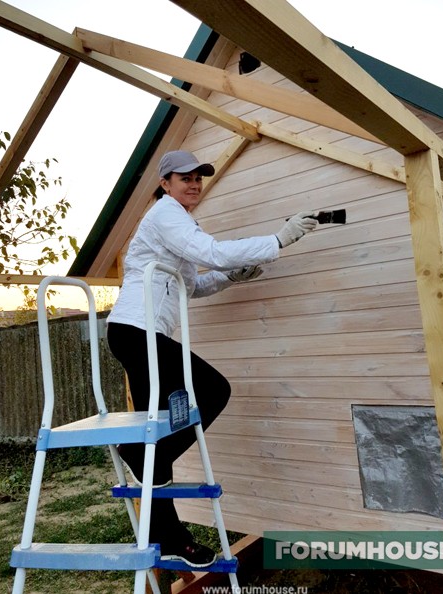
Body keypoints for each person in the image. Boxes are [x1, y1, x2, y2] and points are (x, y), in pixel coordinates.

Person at [107, 150, 317, 567]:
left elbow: (193, 286)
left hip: (144, 334)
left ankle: (168, 537)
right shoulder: (166, 215)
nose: (194, 183)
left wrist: (229, 278)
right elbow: (213, 251)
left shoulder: (180, 224)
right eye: (184, 177)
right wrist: (278, 240)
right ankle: (143, 456)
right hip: (135, 330)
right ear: (165, 184)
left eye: (199, 178)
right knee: (213, 389)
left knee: (157, 442)